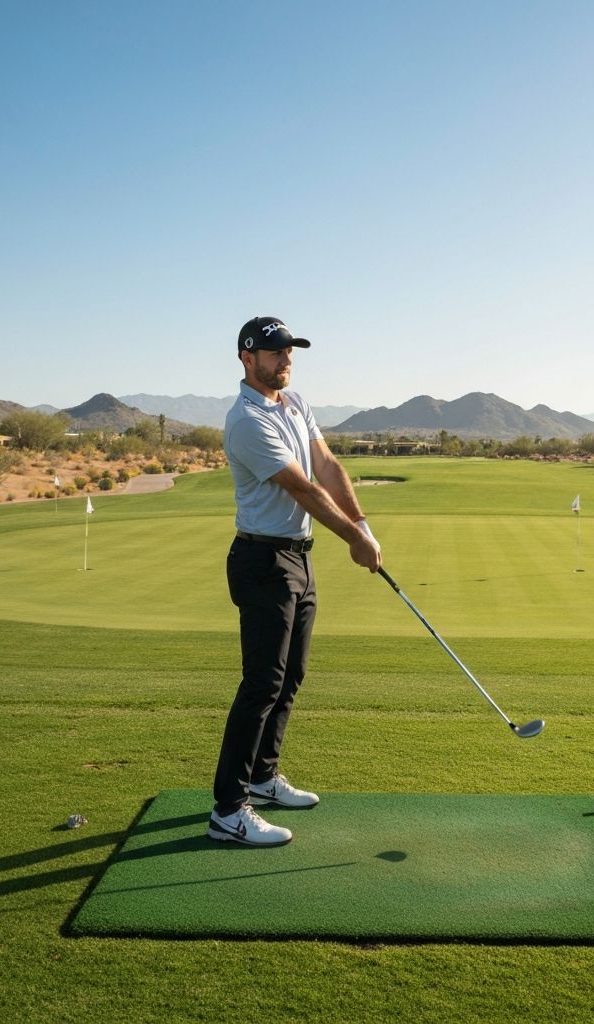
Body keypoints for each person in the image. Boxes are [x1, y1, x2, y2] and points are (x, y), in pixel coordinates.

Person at [209, 316, 382, 847]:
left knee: (290, 677)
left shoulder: (296, 403)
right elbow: (301, 488)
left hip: (297, 560)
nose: (285, 360)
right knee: (261, 683)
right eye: (275, 352)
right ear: (247, 358)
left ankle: (263, 778)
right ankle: (227, 809)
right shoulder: (246, 420)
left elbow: (326, 466)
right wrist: (351, 540)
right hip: (262, 562)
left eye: (290, 351)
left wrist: (362, 525)